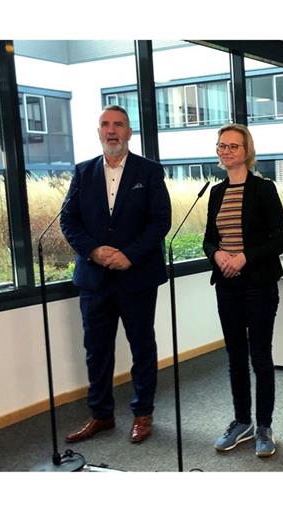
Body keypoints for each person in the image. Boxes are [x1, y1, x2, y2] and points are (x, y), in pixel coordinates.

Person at [60, 105, 171, 444]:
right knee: (96, 349)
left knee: (141, 346)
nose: (111, 131)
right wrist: (94, 250)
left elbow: (159, 221)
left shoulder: (149, 171)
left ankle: (142, 414)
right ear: (98, 132)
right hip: (94, 278)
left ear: (129, 132)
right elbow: (68, 220)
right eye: (105, 125)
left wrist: (129, 255)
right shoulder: (82, 172)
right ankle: (101, 414)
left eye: (118, 125)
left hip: (135, 276)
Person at [202, 124, 283, 458]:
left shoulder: (264, 189)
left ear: (246, 151)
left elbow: (279, 239)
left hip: (259, 285)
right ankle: (242, 422)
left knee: (260, 357)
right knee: (235, 357)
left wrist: (243, 258)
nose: (225, 151)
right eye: (221, 146)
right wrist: (218, 254)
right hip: (227, 286)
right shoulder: (215, 192)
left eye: (233, 146)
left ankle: (264, 425)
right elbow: (210, 238)